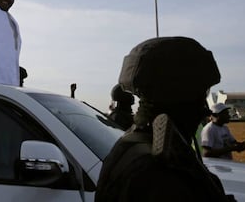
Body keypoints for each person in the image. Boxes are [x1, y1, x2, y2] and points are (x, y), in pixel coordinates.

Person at [95, 36, 236, 202]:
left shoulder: (134, 143)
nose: (204, 109)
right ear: (180, 96)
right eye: (200, 95)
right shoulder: (158, 173)